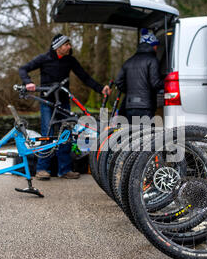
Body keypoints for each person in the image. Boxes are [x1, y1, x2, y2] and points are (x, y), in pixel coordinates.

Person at [19, 34, 110, 180]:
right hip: (47, 102)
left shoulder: (70, 60)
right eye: (66, 44)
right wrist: (27, 82)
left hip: (63, 102)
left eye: (69, 44)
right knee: (47, 133)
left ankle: (64, 170)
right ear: (58, 47)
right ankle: (42, 169)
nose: (70, 47)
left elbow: (84, 77)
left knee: (67, 134)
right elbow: (23, 69)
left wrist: (100, 89)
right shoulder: (44, 58)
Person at [115, 29, 164, 123]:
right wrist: (166, 82)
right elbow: (155, 83)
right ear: (152, 45)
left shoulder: (128, 61)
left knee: (132, 134)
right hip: (145, 106)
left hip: (130, 106)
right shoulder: (152, 60)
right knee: (146, 135)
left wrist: (130, 90)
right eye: (155, 45)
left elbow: (118, 82)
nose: (157, 48)